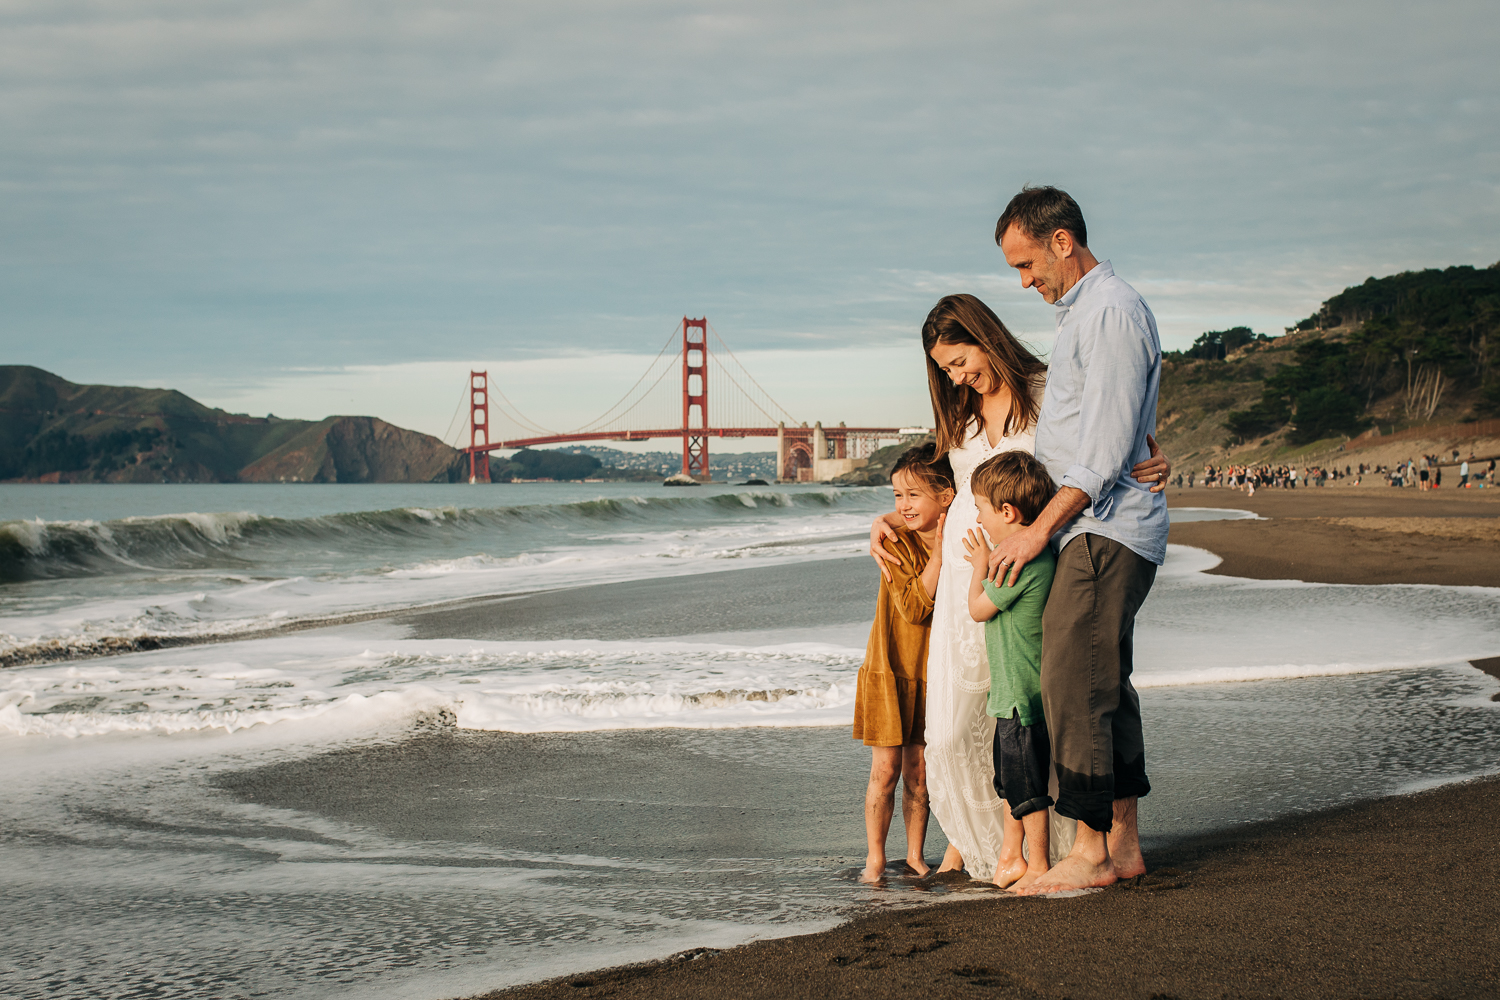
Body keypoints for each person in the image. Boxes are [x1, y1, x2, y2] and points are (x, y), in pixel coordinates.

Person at [867, 294, 1169, 881]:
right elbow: (936, 486)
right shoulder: (960, 415)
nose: (957, 377)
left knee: (1045, 704)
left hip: (1032, 570)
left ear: (986, 336)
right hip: (967, 579)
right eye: (946, 370)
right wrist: (890, 515)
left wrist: (1154, 464)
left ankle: (1061, 847)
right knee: (963, 726)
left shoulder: (1047, 391)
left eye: (961, 360)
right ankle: (986, 845)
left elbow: (1106, 443)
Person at [987, 185, 1169, 894]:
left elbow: (1099, 451)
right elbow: (1117, 433)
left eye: (1026, 264)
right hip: (1100, 524)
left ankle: (1089, 853)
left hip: (1104, 528)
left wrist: (1036, 531)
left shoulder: (1112, 312)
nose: (1025, 281)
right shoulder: (1088, 316)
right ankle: (1122, 846)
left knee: (1072, 684)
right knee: (1104, 685)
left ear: (1062, 240)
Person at [851, 444, 953, 882]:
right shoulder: (893, 544)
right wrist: (939, 554)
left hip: (934, 671)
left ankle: (915, 854)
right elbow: (913, 607)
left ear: (946, 495)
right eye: (896, 497)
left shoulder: (961, 533)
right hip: (891, 669)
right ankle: (875, 857)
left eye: (913, 495)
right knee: (886, 771)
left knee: (920, 772)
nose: (902, 506)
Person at [962, 450, 1058, 890]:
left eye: (981, 507)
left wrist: (980, 566)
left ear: (1007, 512)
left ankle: (1036, 863)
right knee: (1011, 782)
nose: (978, 517)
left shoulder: (1013, 561)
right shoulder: (1025, 555)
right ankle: (1011, 856)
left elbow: (979, 609)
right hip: (1011, 690)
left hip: (1021, 693)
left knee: (1028, 789)